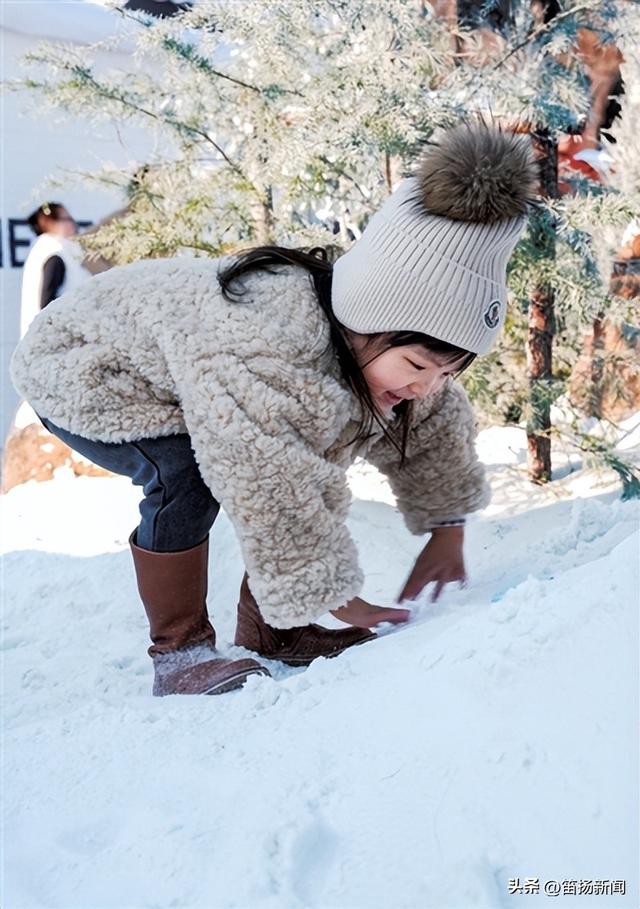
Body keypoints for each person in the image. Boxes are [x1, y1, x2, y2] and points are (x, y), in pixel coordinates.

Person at [10, 120, 537, 697]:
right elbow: (270, 480)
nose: (428, 385)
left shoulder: (375, 352)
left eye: (448, 371)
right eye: (417, 366)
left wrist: (447, 525)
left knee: (330, 424)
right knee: (187, 472)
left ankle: (274, 632)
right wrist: (329, 589)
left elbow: (434, 424)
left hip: (181, 364)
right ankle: (179, 653)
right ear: (367, 323)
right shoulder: (270, 346)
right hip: (85, 363)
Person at [20, 202, 90, 339]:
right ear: (49, 222)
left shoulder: (44, 249)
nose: (73, 224)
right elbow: (46, 300)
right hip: (54, 339)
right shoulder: (54, 252)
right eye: (67, 219)